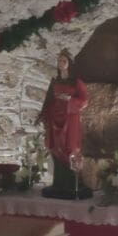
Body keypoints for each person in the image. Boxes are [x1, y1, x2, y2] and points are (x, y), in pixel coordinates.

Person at [37, 49, 89, 197]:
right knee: (56, 147)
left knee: (70, 146)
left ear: (69, 64)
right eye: (59, 61)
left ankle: (73, 182)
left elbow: (84, 101)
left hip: (70, 118)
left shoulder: (76, 82)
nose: (61, 63)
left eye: (64, 61)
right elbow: (49, 100)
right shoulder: (54, 81)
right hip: (55, 118)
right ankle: (59, 183)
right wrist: (43, 116)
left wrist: (70, 100)